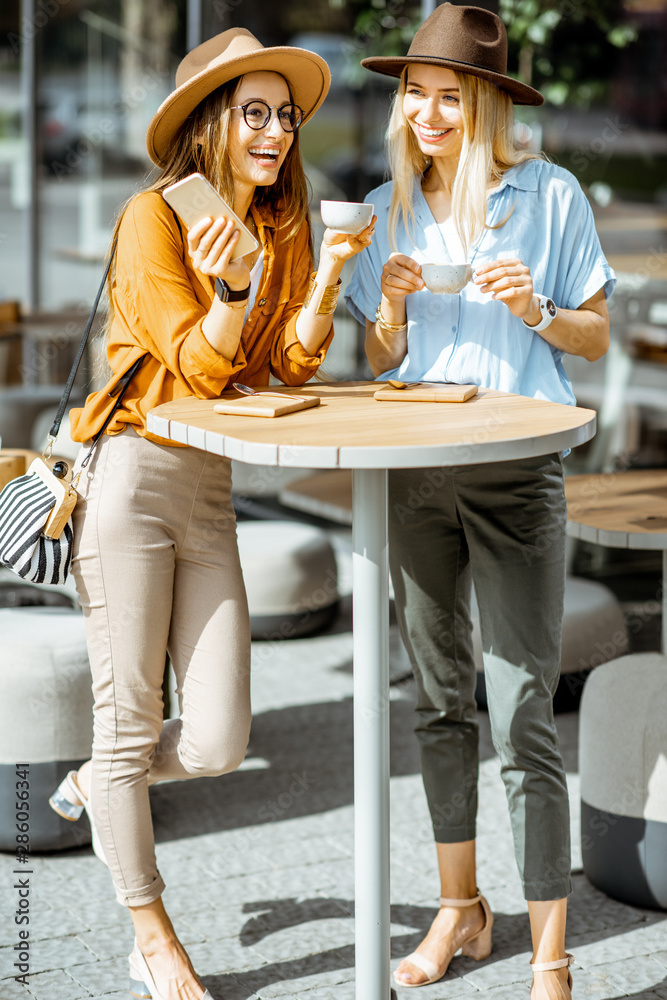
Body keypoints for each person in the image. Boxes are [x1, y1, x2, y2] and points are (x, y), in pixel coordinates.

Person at [48, 28, 372, 1000]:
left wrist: (326, 274)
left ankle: (99, 778)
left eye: (286, 114)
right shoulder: (149, 219)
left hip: (212, 486)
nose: (275, 131)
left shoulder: (280, 222)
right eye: (254, 111)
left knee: (219, 737)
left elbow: (290, 365)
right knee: (130, 723)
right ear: (211, 122)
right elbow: (196, 367)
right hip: (134, 475)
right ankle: (152, 937)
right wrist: (229, 285)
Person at [345, 4, 614, 996]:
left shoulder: (549, 198)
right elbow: (381, 356)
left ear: (489, 103)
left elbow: (591, 336)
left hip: (515, 472)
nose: (426, 111)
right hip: (415, 471)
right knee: (436, 700)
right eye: (415, 92)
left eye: (449, 96)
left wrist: (536, 310)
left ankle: (551, 953)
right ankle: (460, 911)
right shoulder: (384, 208)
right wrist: (396, 305)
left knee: (521, 714)